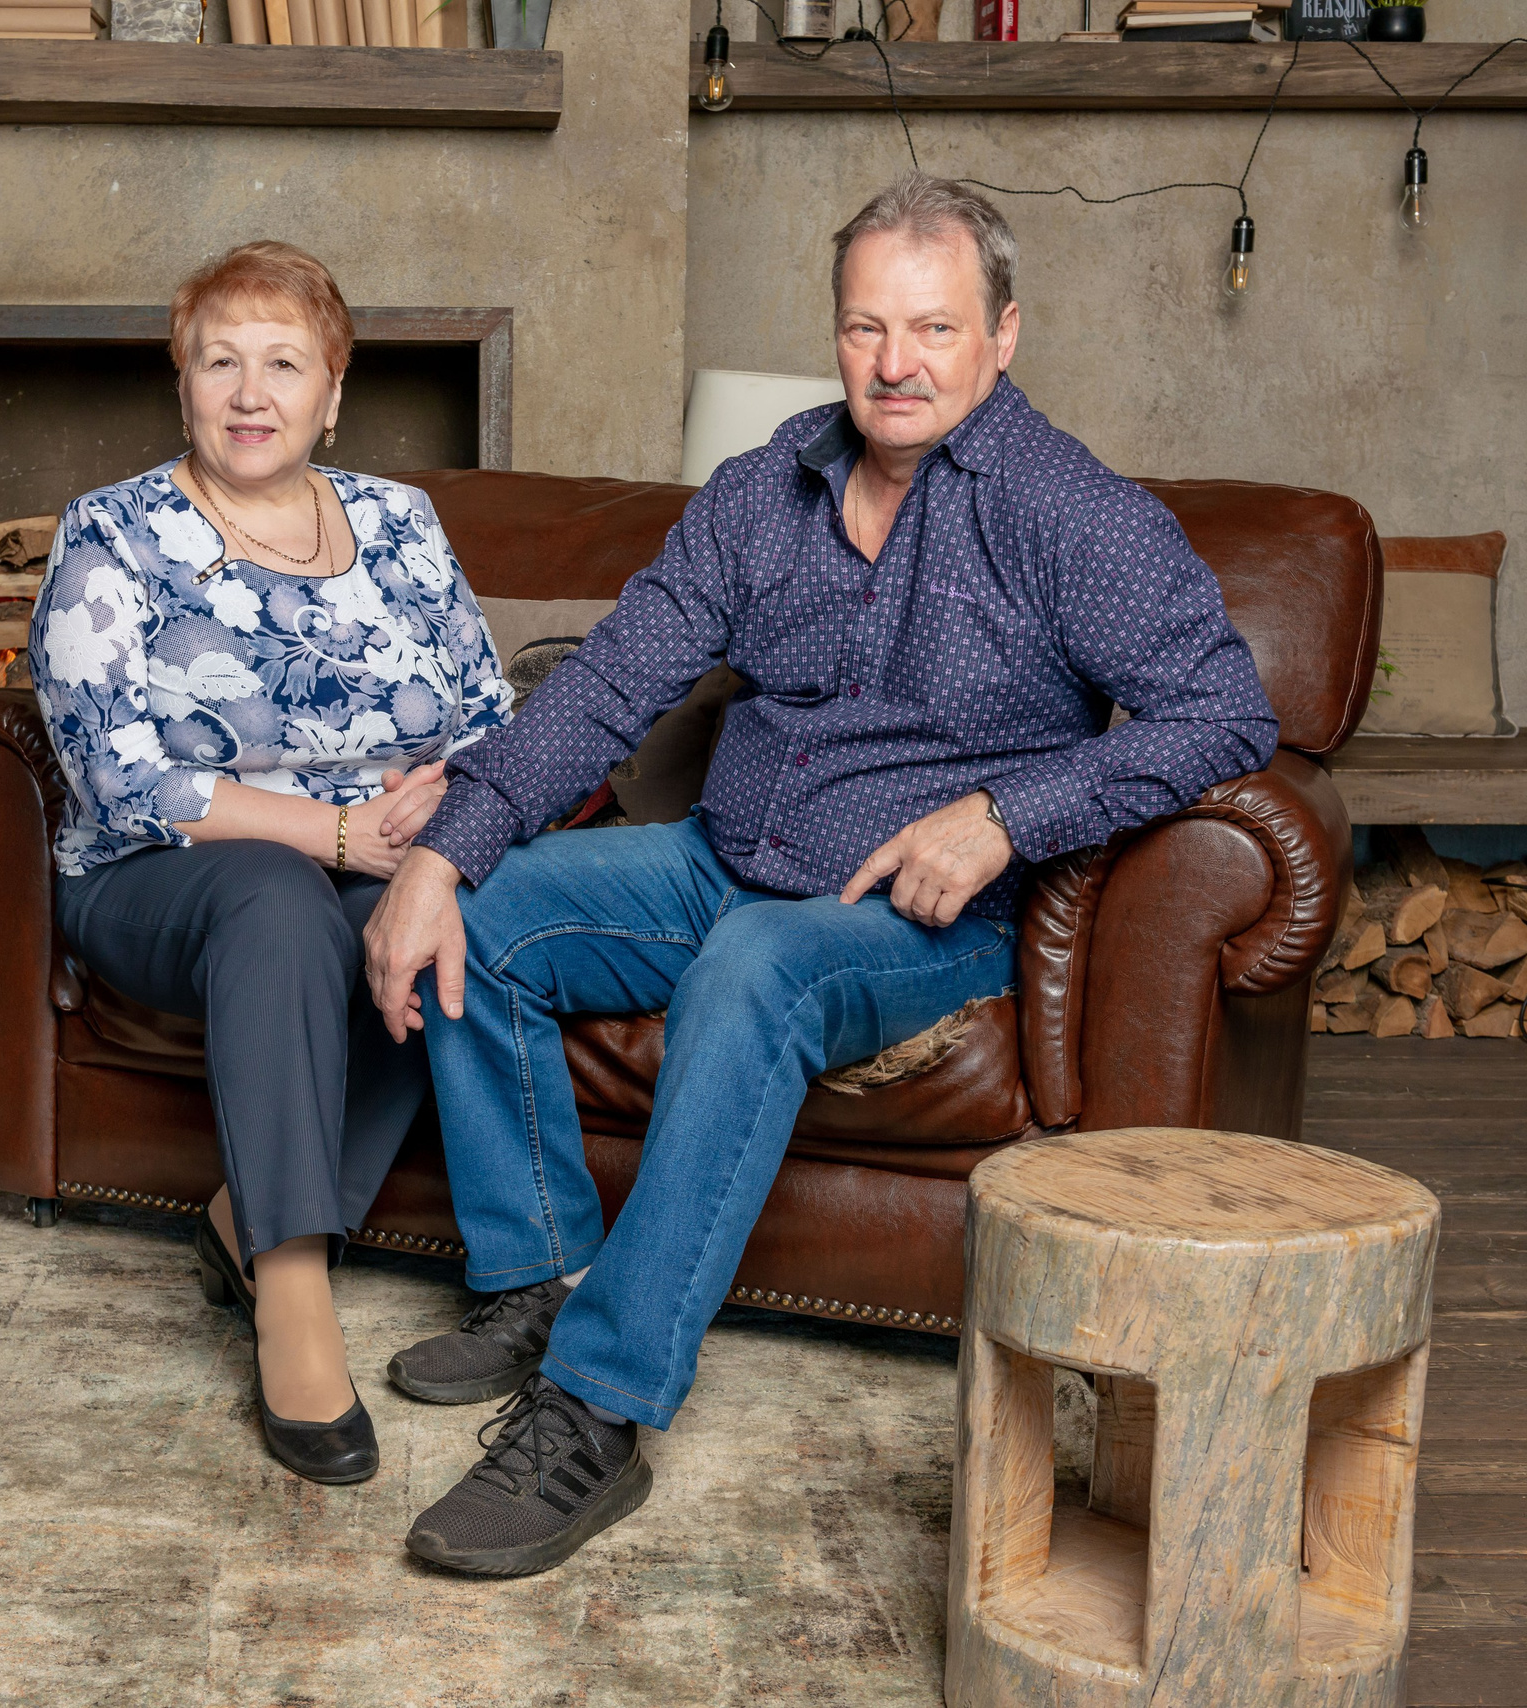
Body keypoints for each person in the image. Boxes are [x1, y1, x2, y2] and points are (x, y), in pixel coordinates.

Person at [361, 175, 1281, 1575]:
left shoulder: (1070, 515)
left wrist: (1006, 811)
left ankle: (596, 1412)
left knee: (756, 966)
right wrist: (440, 850)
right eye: (866, 327)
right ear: (836, 334)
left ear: (1004, 335)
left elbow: (1226, 714)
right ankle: (537, 1275)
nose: (895, 363)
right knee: (484, 909)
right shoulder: (763, 492)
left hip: (910, 919)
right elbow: (611, 688)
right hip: (717, 860)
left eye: (933, 327)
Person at [28, 240, 510, 1485]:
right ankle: (293, 1294)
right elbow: (117, 773)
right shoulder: (114, 533)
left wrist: (434, 835)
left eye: (283, 364)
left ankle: (247, 1217)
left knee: (456, 909)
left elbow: (491, 713)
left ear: (332, 393)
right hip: (162, 874)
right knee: (282, 898)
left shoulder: (402, 524)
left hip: (372, 854)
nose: (251, 393)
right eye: (220, 362)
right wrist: (333, 831)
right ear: (182, 385)